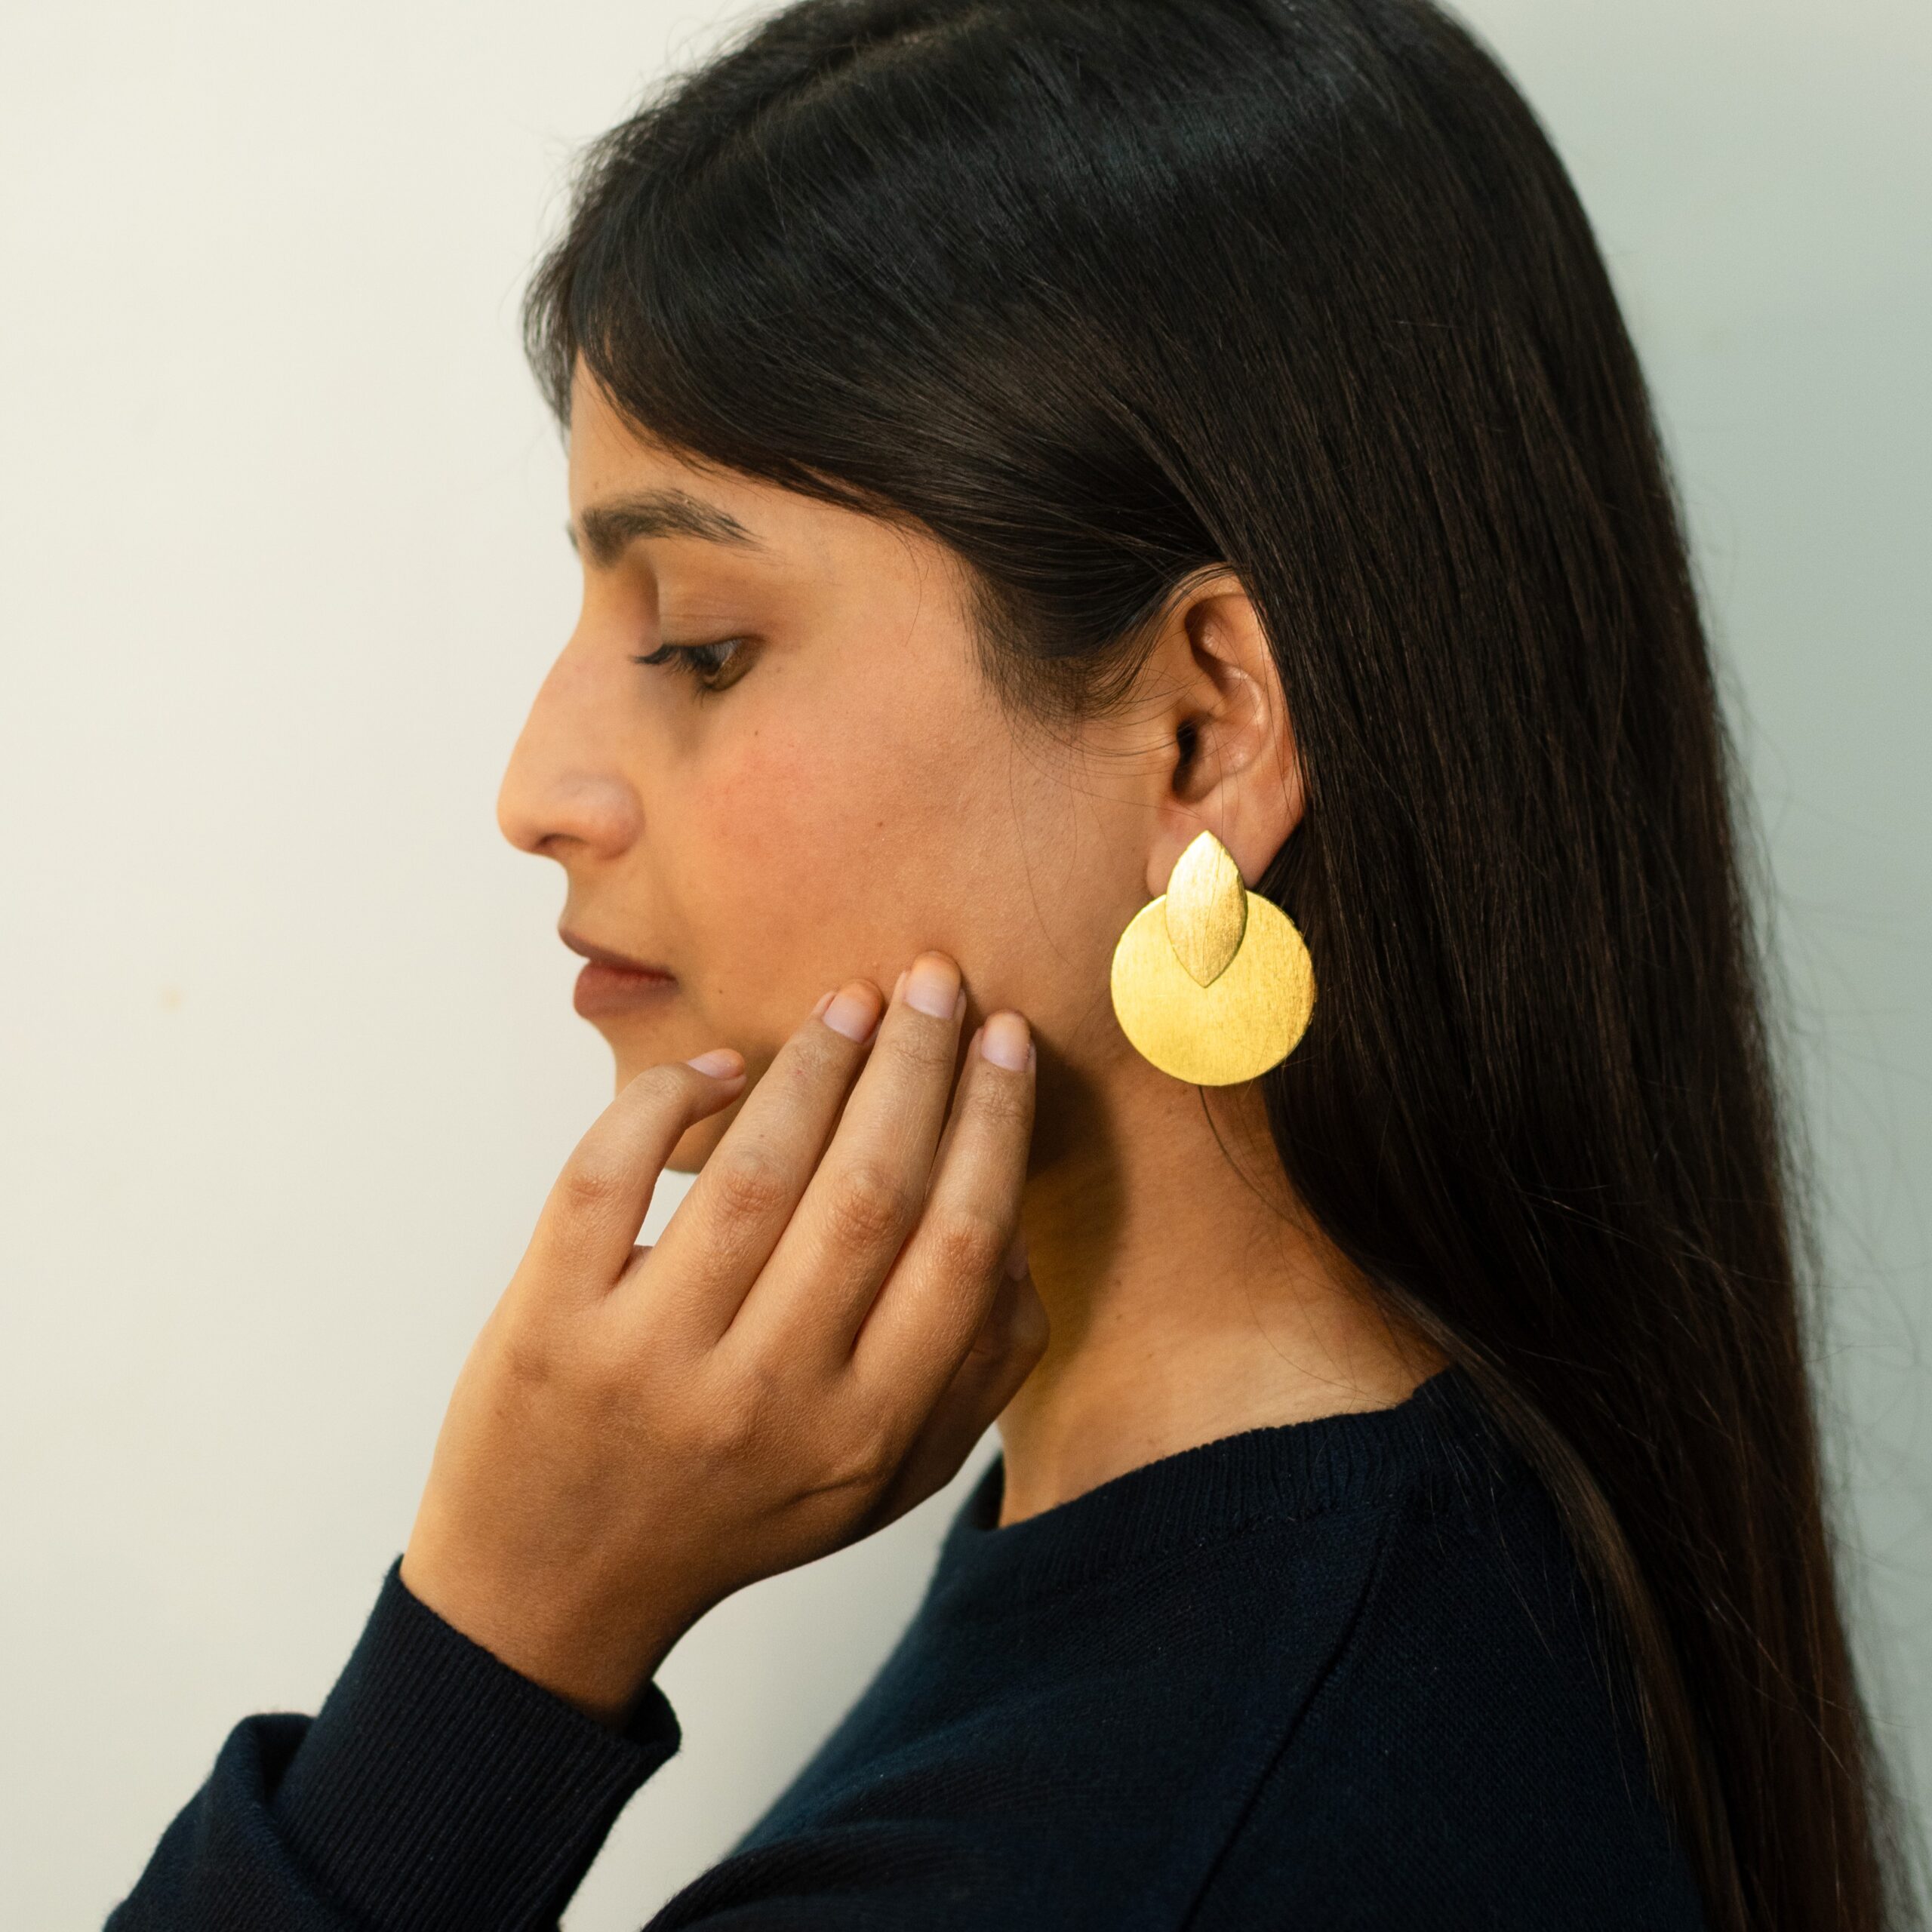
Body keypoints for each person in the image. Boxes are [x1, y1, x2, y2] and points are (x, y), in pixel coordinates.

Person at [107, 1, 1912, 1927]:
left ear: (1202, 734)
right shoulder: (1393, 1545)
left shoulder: (1147, 1830)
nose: (536, 788)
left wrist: (493, 1642)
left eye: (701, 642)